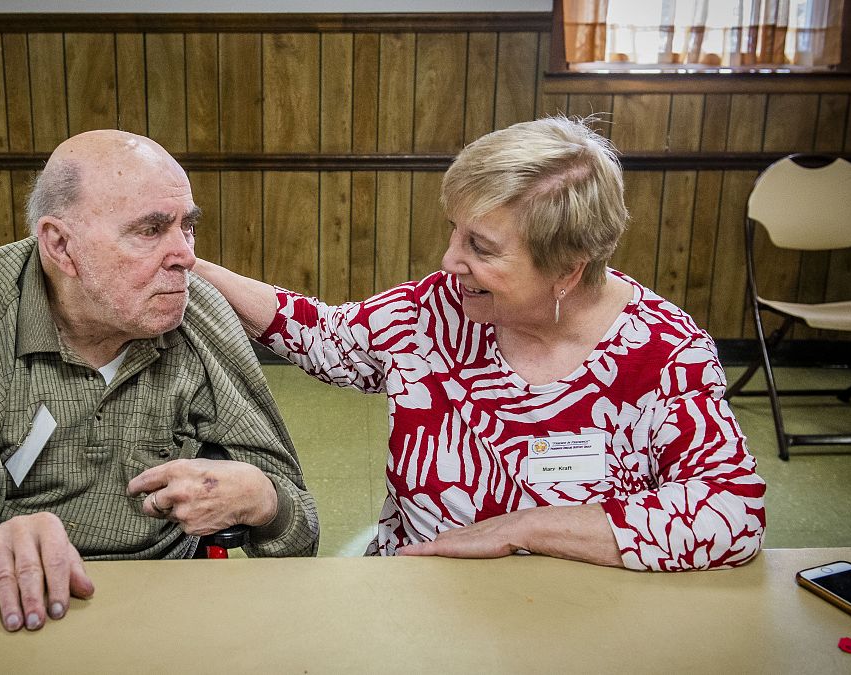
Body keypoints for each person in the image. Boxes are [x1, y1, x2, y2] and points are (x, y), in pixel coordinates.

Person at [194, 116, 765, 571]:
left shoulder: (664, 353)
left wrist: (522, 529)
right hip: (418, 591)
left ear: (567, 269)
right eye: (455, 230)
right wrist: (191, 266)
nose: (449, 261)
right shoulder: (439, 309)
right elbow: (324, 335)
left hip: (580, 610)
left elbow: (731, 510)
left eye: (481, 247)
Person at [0, 130, 319, 632]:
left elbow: (301, 530)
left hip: (164, 605)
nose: (186, 257)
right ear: (60, 244)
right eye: (150, 230)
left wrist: (266, 502)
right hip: (10, 605)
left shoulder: (200, 315)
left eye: (187, 226)